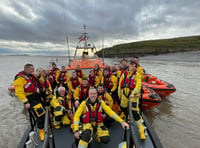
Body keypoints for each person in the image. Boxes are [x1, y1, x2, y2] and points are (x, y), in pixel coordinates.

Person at [13, 64, 45, 141]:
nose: (33, 71)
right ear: (26, 70)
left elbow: (42, 81)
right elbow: (19, 92)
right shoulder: (20, 78)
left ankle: (43, 123)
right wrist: (26, 102)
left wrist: (39, 75)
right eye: (31, 69)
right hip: (30, 98)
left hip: (37, 95)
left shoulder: (33, 76)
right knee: (40, 113)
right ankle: (41, 130)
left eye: (33, 69)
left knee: (43, 109)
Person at [118, 60, 146, 140]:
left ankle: (141, 129)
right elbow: (120, 85)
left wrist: (133, 93)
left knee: (135, 113)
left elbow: (138, 86)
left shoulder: (137, 75)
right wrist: (119, 94)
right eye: (130, 64)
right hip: (124, 96)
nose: (131, 66)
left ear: (135, 67)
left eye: (133, 65)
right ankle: (127, 122)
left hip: (133, 97)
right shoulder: (124, 74)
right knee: (124, 109)